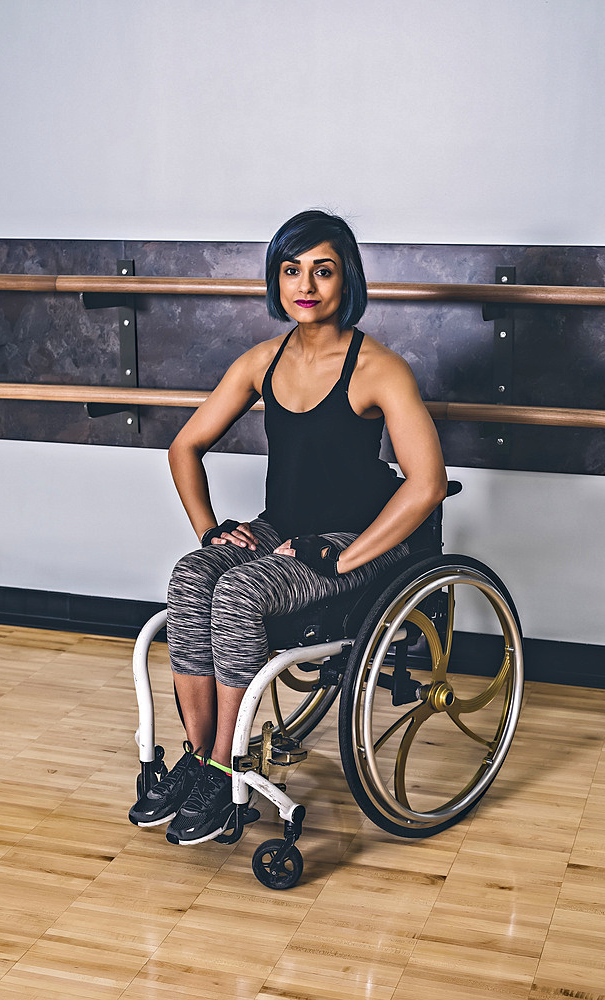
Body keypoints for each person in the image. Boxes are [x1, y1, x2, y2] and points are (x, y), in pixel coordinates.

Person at [128, 209, 447, 845]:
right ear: (276, 280)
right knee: (195, 575)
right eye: (291, 270)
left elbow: (427, 484)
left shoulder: (378, 369)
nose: (306, 284)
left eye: (322, 271)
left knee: (239, 595)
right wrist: (211, 530)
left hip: (356, 539)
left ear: (346, 280)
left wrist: (346, 559)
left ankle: (224, 769)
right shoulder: (261, 362)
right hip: (285, 530)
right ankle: (202, 763)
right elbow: (183, 447)